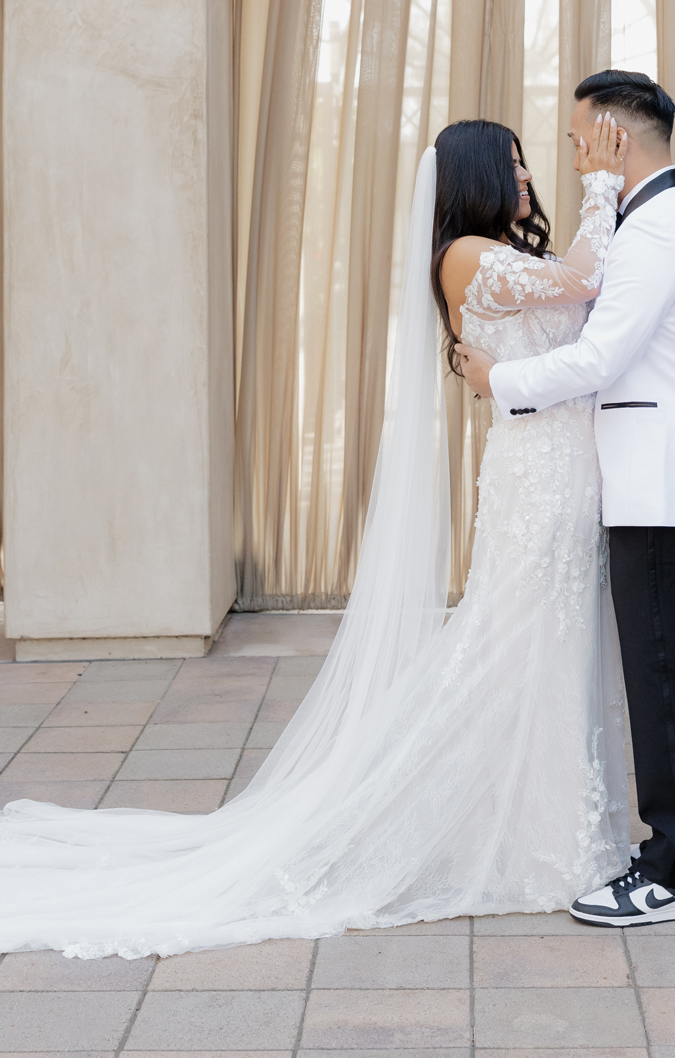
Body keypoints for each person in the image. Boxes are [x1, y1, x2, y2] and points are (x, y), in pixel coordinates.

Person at [0, 118, 631, 956]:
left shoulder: (502, 253)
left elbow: (575, 309)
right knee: (509, 644)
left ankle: (539, 823)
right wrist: (603, 182)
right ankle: (467, 819)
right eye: (510, 160)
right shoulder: (469, 256)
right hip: (537, 481)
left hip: (559, 468)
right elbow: (588, 282)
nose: (525, 172)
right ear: (475, 173)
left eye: (526, 158)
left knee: (541, 650)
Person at [458, 70, 675, 927]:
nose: (575, 153)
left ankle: (674, 868)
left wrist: (498, 377)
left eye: (583, 137)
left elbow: (598, 359)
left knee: (662, 673)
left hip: (664, 485)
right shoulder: (667, 219)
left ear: (616, 137)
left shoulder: (656, 230)